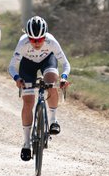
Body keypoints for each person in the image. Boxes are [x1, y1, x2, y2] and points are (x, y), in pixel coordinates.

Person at [8, 15, 70, 161]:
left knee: (52, 83)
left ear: (45, 36)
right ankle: (26, 143)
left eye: (40, 39)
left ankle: (53, 120)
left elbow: (66, 64)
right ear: (28, 37)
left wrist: (64, 77)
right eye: (33, 40)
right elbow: (11, 66)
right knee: (28, 102)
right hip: (27, 65)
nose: (36, 43)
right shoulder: (23, 43)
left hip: (47, 61)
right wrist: (17, 78)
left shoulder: (51, 41)